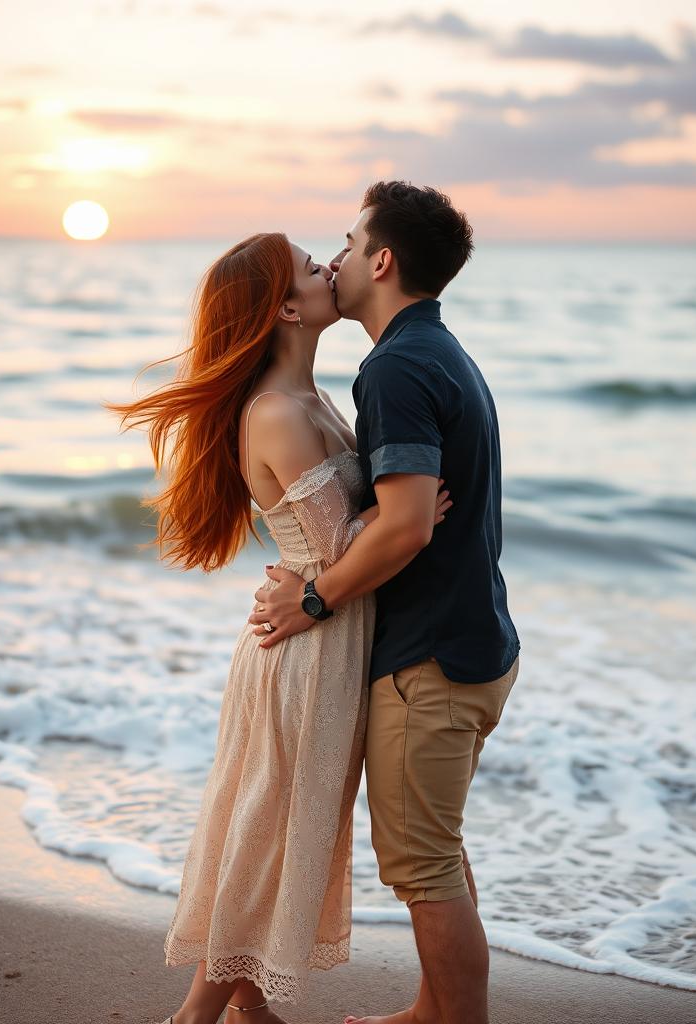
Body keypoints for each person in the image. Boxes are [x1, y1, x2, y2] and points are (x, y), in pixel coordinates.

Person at [104, 231, 452, 1024]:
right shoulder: (274, 412)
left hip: (322, 639)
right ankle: (197, 1015)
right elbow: (337, 549)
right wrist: (404, 514)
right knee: (267, 830)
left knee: (285, 823)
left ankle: (250, 1011)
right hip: (303, 652)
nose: (330, 267)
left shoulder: (315, 398)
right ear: (287, 308)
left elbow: (335, 548)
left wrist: (392, 513)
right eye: (308, 266)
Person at [249, 181, 522, 1024]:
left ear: (382, 259)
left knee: (424, 867)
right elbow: (405, 515)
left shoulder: (396, 367)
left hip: (429, 663)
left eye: (347, 238)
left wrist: (314, 601)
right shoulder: (441, 353)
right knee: (436, 849)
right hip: (476, 645)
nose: (334, 256)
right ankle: (430, 1013)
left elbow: (404, 527)